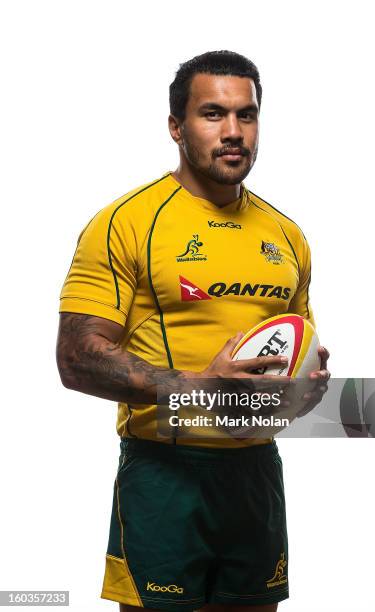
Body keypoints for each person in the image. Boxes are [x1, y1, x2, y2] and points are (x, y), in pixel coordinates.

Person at [56, 50, 330, 612]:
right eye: (212, 114)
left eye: (246, 115)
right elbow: (78, 359)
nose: (233, 132)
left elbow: (291, 365)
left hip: (254, 472)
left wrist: (307, 392)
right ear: (176, 127)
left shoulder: (287, 236)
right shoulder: (126, 222)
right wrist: (202, 386)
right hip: (164, 472)